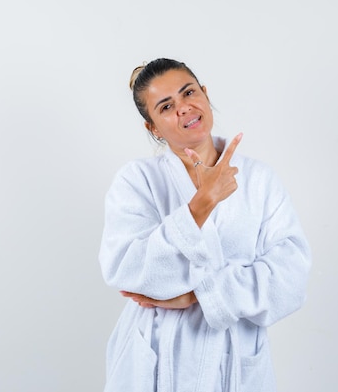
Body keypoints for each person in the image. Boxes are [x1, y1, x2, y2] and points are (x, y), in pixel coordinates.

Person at [98, 58, 312, 392]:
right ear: (153, 127)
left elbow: (290, 278)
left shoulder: (259, 180)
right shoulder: (137, 180)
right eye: (166, 106)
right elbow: (128, 268)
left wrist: (201, 295)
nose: (184, 108)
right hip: (156, 360)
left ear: (205, 94)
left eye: (189, 93)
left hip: (235, 361)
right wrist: (202, 203)